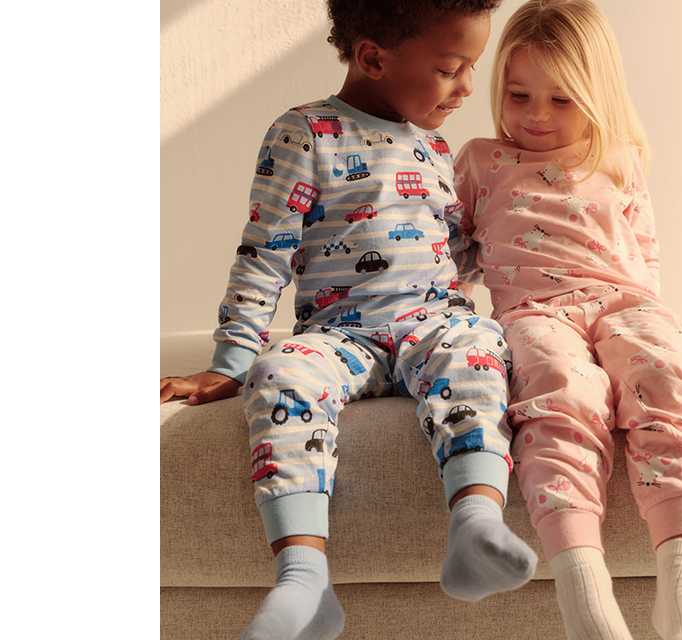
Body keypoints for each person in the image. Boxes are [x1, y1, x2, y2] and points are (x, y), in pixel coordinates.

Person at [160, 2, 538, 638]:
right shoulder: (305, 133)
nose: (470, 87)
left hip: (435, 324)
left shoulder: (436, 147)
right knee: (278, 373)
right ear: (372, 58)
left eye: (471, 67)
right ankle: (304, 580)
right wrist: (232, 362)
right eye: (452, 68)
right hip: (339, 336)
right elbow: (264, 255)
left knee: (478, 348)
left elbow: (455, 251)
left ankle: (475, 525)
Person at [452, 1, 682, 638]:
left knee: (668, 376)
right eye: (519, 95)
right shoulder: (481, 162)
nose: (537, 115)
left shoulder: (620, 160)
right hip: (535, 313)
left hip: (626, 303)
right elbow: (448, 256)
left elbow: (645, 255)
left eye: (562, 99)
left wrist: (642, 333)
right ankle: (585, 594)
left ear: (596, 95)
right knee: (560, 391)